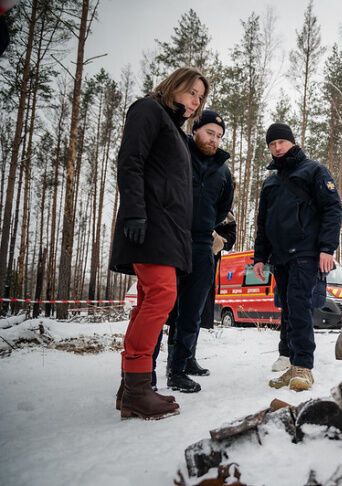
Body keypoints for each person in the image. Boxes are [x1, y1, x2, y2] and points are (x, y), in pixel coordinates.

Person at [110, 66, 208, 419]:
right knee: (162, 297)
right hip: (150, 225)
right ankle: (137, 387)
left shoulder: (176, 130)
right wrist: (135, 212)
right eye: (192, 91)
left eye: (200, 97)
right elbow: (130, 160)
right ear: (174, 86)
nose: (196, 101)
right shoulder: (148, 109)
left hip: (169, 229)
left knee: (152, 299)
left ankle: (132, 387)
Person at [253, 123, 342, 392]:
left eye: (281, 142)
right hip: (279, 256)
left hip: (306, 252)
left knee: (300, 305)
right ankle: (293, 363)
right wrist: (259, 257)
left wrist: (327, 248)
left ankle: (304, 366)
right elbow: (263, 223)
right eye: (272, 144)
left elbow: (332, 209)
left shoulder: (314, 170)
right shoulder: (270, 182)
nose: (277, 147)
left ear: (292, 142)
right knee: (290, 310)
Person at [167, 110, 234, 393]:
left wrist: (208, 228)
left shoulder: (223, 170)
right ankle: (143, 372)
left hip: (202, 244)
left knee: (193, 310)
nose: (214, 139)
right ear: (196, 129)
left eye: (219, 136)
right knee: (166, 307)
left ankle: (178, 369)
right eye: (209, 133)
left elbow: (224, 208)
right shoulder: (179, 153)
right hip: (172, 238)